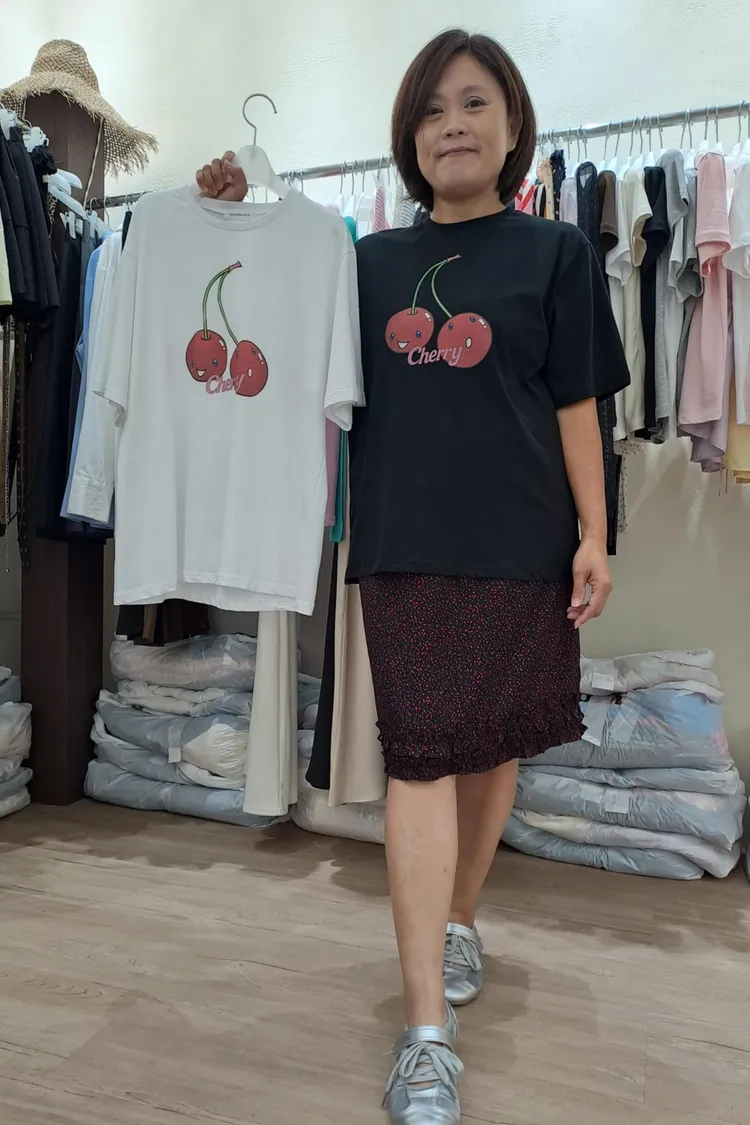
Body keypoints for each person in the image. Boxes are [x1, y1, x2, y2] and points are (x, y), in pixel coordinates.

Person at [198, 28, 629, 1125]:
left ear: (513, 123)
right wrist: (232, 209)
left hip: (525, 544)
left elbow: (578, 404)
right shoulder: (367, 264)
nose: (453, 125)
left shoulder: (559, 254)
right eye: (432, 110)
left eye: (475, 103)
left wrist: (595, 532)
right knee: (425, 754)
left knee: (493, 742)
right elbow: (271, 308)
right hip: (404, 546)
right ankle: (426, 1031)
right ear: (409, 138)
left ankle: (459, 918)